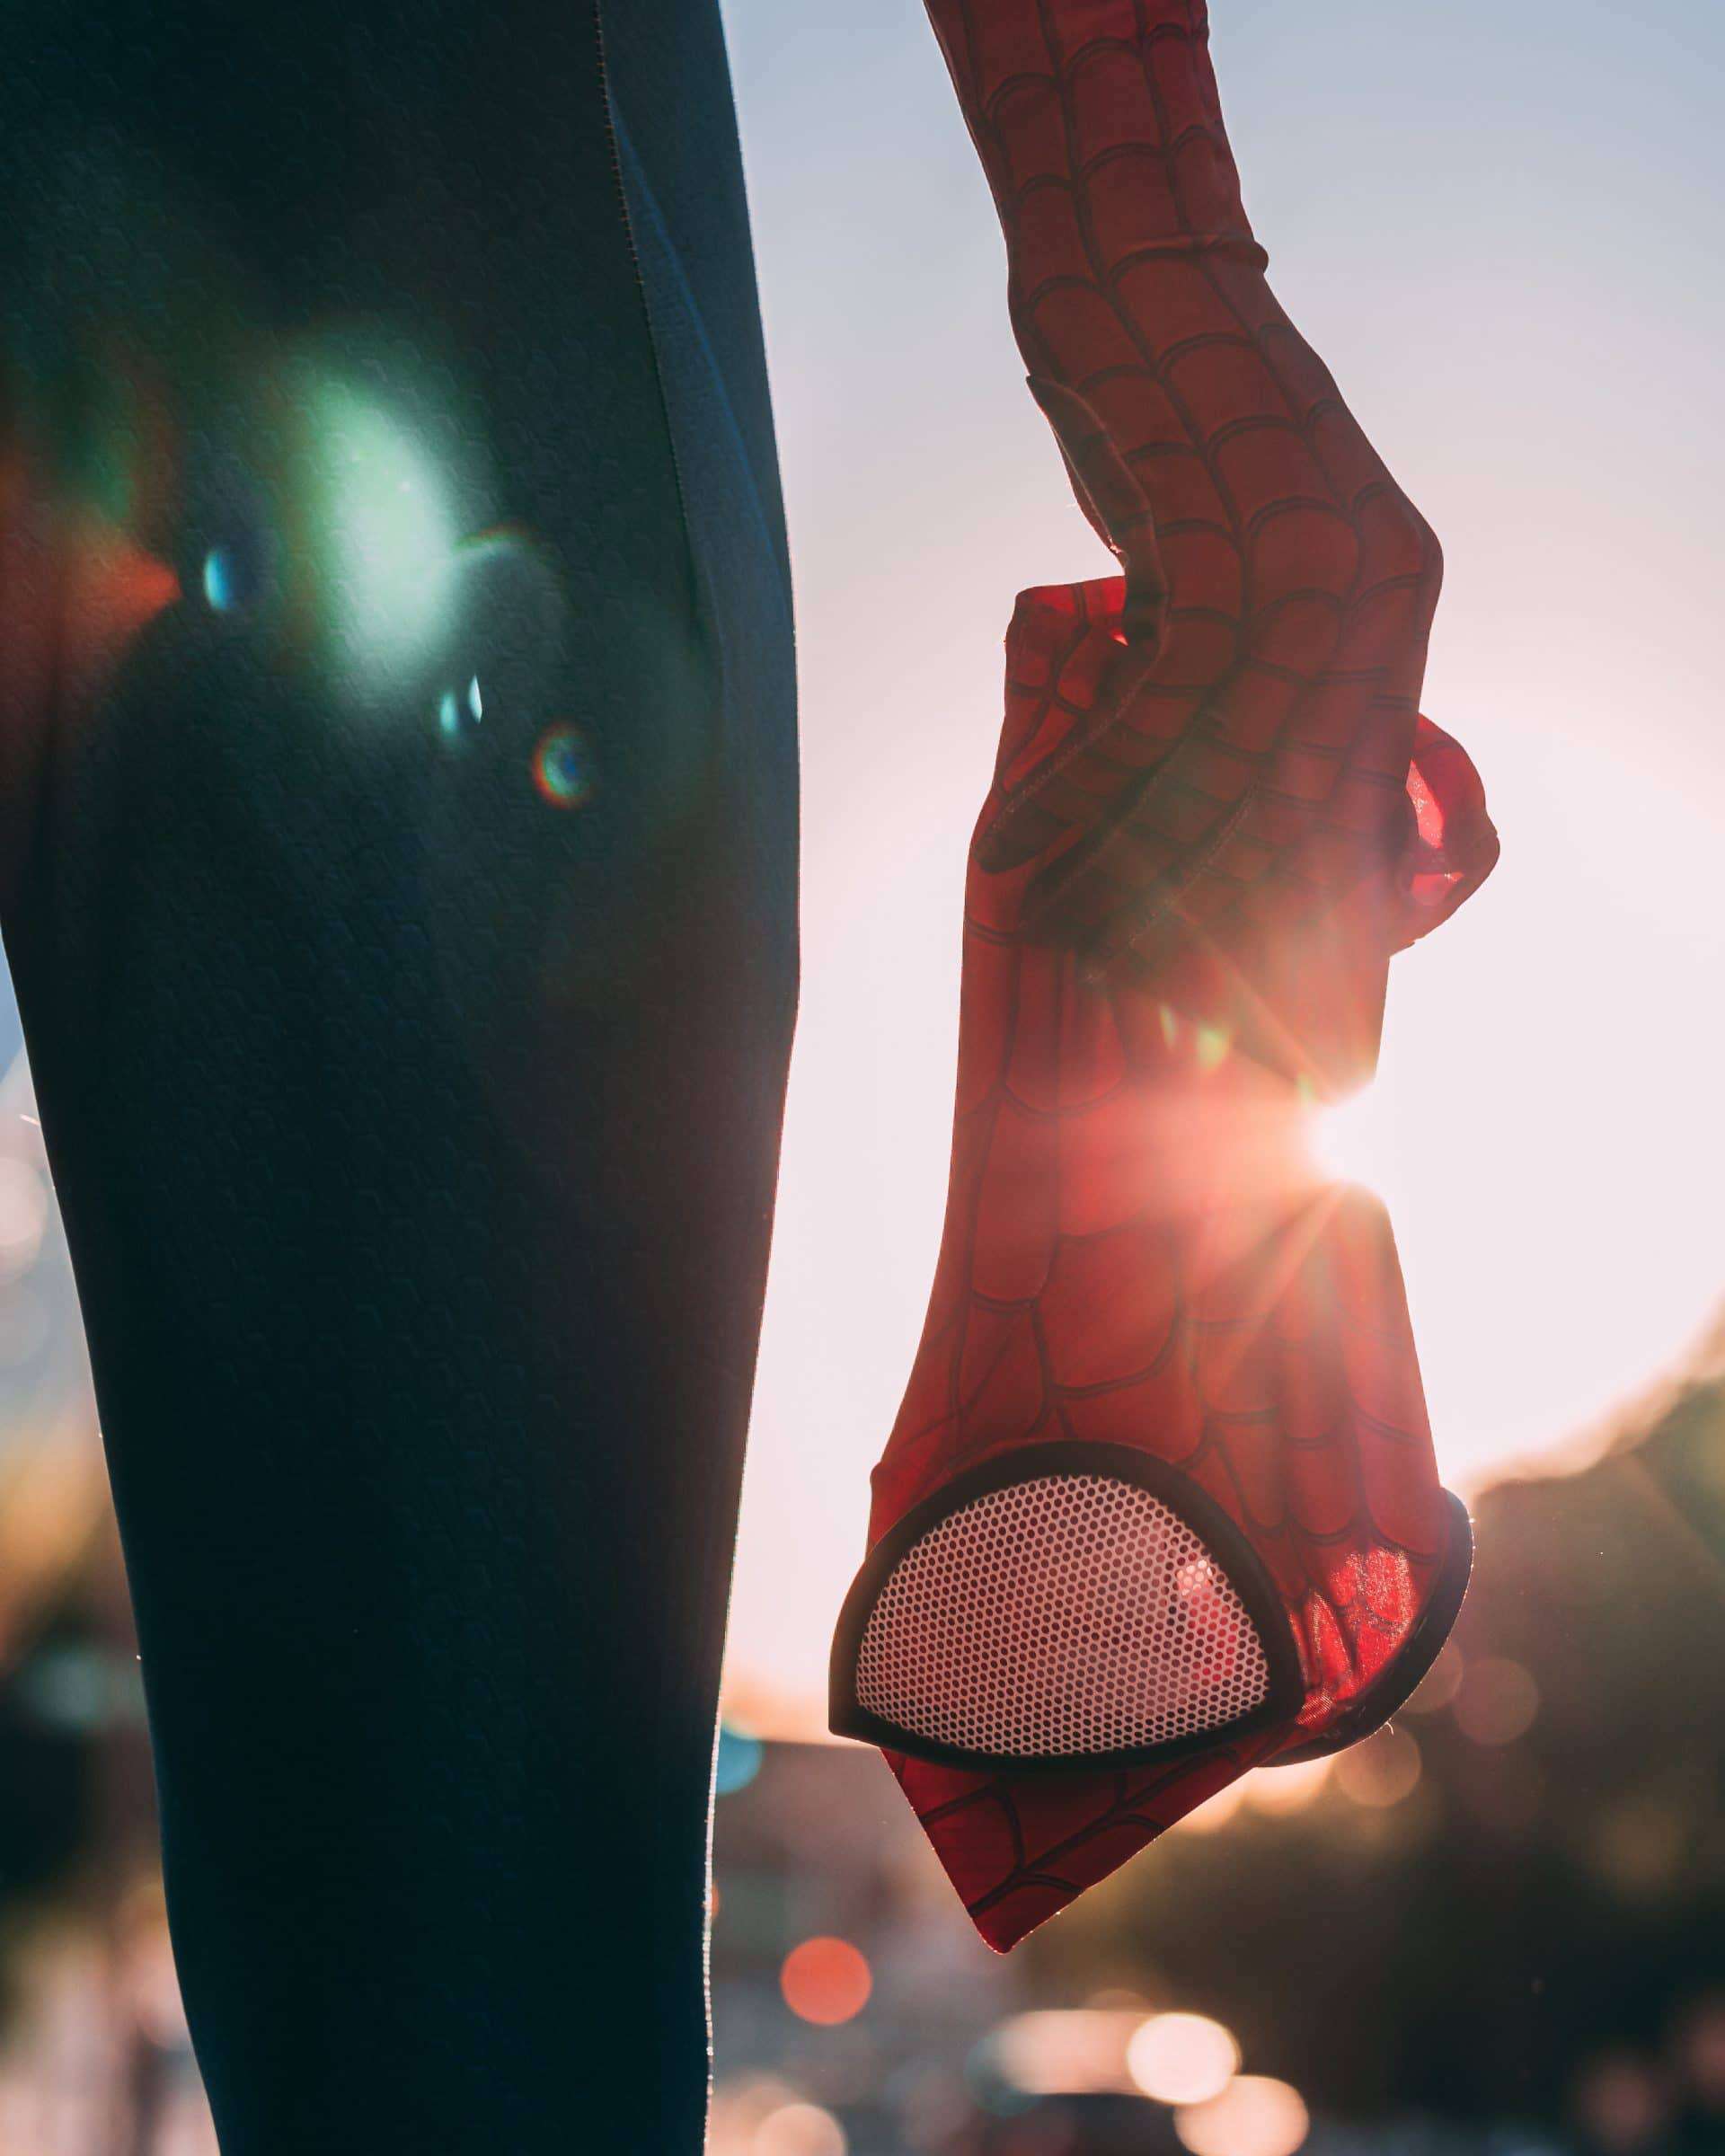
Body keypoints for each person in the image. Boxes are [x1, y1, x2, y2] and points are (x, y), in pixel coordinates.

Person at [0, 0, 1455, 2145]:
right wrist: (1146, 263)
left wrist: (1159, 286)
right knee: (468, 1932)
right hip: (403, 172)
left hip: (387, 168)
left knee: (468, 1942)